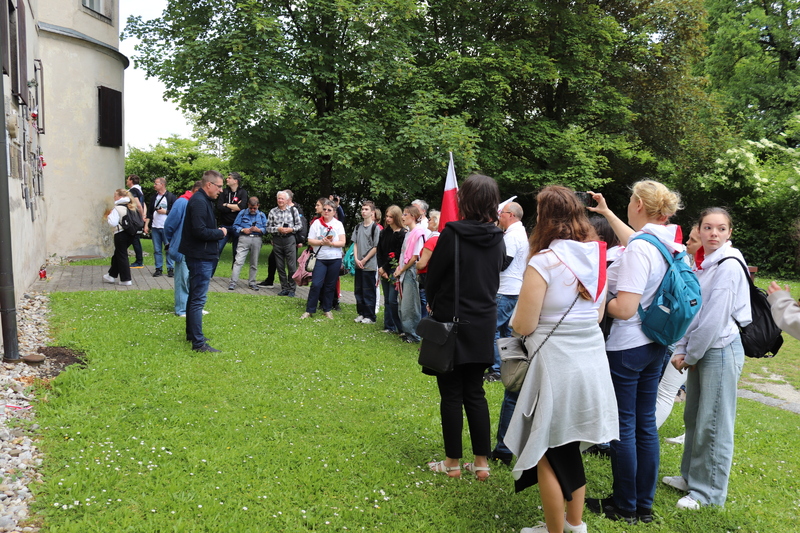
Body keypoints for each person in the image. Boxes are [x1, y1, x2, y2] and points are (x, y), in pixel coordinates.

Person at [505, 186, 618, 533]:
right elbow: (598, 316)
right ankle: (574, 524)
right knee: (567, 449)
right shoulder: (598, 258)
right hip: (591, 363)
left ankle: (556, 531)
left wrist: (517, 321)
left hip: (554, 366)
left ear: (544, 218)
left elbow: (523, 323)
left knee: (548, 451)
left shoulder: (544, 262)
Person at [585, 180, 684, 524]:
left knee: (624, 425)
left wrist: (597, 301)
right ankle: (643, 504)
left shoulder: (642, 248)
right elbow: (636, 240)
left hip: (628, 346)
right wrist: (608, 212)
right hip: (657, 343)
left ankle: (624, 505)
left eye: (629, 200)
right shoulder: (668, 242)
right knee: (644, 424)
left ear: (639, 204)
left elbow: (625, 309)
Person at [664, 208, 751, 510]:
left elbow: (714, 320)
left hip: (720, 350)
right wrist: (682, 347)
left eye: (721, 228)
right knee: (695, 417)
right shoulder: (705, 262)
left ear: (729, 233)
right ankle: (690, 478)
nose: (714, 233)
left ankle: (708, 493)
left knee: (713, 422)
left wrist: (690, 355)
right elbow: (695, 312)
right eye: (708, 227)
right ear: (698, 231)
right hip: (703, 348)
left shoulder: (728, 265)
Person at [423, 174, 505, 482]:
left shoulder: (452, 234)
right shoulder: (498, 237)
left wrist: (433, 302)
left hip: (452, 322)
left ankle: (453, 463)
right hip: (483, 323)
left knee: (451, 395)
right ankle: (481, 462)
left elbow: (434, 276)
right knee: (476, 393)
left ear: (464, 201)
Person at [489, 202, 530, 466]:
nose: (498, 217)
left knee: (495, 331)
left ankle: (495, 367)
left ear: (511, 215)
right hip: (510, 289)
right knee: (503, 333)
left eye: (500, 214)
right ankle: (500, 364)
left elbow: (503, 263)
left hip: (506, 290)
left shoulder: (514, 236)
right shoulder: (514, 233)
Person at [179, 170, 227, 353]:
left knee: (194, 296)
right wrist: (220, 233)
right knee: (198, 299)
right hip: (200, 257)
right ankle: (198, 343)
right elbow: (199, 231)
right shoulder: (199, 201)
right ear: (209, 185)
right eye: (219, 186)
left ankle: (192, 335)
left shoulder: (202, 200)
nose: (221, 190)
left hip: (201, 255)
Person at [300, 199, 346, 319]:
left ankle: (327, 309)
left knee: (330, 286)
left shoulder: (338, 224)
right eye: (324, 209)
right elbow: (310, 240)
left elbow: (342, 242)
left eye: (329, 210)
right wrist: (322, 242)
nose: (326, 212)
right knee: (316, 284)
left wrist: (331, 244)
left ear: (334, 212)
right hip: (320, 258)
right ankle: (310, 310)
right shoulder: (316, 223)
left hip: (334, 258)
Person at [164, 180, 202, 317]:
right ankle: (181, 309)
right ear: (197, 191)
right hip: (183, 247)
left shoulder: (197, 203)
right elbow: (169, 225)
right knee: (183, 278)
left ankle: (193, 307)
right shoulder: (182, 202)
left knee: (194, 278)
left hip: (195, 248)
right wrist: (173, 241)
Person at [394, 205, 426, 343]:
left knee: (410, 304)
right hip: (404, 269)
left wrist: (402, 269)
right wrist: (398, 267)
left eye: (405, 214)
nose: (402, 217)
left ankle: (414, 334)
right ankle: (407, 331)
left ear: (413, 216)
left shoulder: (418, 233)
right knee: (402, 302)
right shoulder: (409, 232)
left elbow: (414, 257)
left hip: (411, 271)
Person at [377, 205, 406, 334]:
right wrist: (380, 268)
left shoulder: (402, 234)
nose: (388, 219)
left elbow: (398, 253)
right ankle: (389, 326)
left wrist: (385, 268)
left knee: (394, 300)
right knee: (387, 299)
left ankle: (400, 327)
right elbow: (380, 251)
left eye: (391, 217)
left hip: (395, 269)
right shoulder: (384, 232)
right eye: (387, 216)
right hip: (383, 268)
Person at [267, 190, 302, 297]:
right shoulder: (273, 211)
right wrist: (278, 229)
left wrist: (290, 229)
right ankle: (284, 288)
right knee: (280, 265)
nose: (280, 200)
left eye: (282, 198)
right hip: (277, 240)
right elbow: (268, 228)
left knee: (291, 265)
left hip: (290, 239)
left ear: (287, 200)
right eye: (279, 198)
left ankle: (292, 289)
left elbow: (299, 225)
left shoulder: (293, 210)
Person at [228, 197, 267, 291]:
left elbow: (266, 228)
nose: (253, 210)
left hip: (257, 239)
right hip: (244, 238)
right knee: (238, 261)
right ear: (248, 205)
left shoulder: (261, 215)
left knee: (254, 262)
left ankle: (252, 283)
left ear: (258, 206)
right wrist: (242, 230)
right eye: (251, 208)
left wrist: (259, 230)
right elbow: (235, 226)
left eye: (255, 208)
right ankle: (233, 282)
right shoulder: (242, 213)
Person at [352, 201, 380, 324]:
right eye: (362, 209)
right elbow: (355, 243)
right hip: (359, 264)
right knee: (358, 290)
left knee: (369, 290)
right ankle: (361, 313)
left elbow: (376, 247)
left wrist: (364, 259)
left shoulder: (375, 228)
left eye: (366, 209)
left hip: (369, 265)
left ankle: (370, 316)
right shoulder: (358, 227)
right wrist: (357, 259)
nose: (363, 211)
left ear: (372, 212)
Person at [144, 176, 177, 277]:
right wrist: (146, 225)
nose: (154, 185)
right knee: (157, 249)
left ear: (162, 184)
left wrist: (165, 211)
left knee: (168, 248)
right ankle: (158, 268)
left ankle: (170, 268)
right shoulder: (154, 197)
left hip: (166, 227)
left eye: (156, 183)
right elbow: (149, 213)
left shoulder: (171, 197)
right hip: (155, 226)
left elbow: (176, 212)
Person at [102, 189, 136, 286]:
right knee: (118, 254)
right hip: (131, 234)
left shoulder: (117, 208)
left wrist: (109, 217)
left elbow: (113, 223)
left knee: (122, 256)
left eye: (115, 196)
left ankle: (126, 279)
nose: (114, 198)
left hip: (120, 233)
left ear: (120, 197)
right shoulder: (131, 206)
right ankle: (111, 275)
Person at [217, 172, 248, 261]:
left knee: (236, 252)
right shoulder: (224, 192)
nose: (227, 179)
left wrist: (226, 204)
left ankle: (234, 274)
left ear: (235, 181)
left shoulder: (242, 192)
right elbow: (219, 207)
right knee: (217, 249)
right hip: (225, 225)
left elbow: (242, 208)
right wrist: (233, 207)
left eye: (229, 178)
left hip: (238, 226)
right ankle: (210, 273)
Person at [126, 175, 146, 268]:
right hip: (138, 217)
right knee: (134, 239)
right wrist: (144, 215)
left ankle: (139, 261)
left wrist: (141, 216)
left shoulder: (133, 191)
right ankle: (138, 260)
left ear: (131, 181)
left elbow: (138, 205)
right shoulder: (140, 190)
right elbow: (143, 204)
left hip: (134, 218)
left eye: (128, 179)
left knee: (134, 239)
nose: (126, 180)